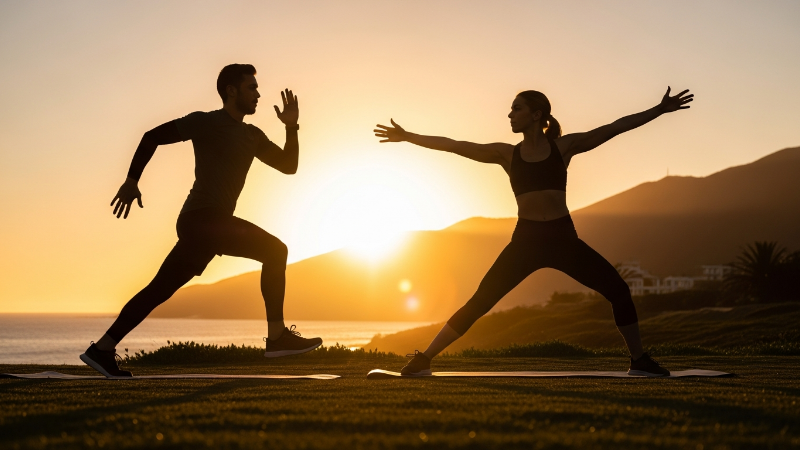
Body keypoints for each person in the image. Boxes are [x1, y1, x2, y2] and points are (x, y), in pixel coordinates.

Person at [374, 87, 693, 377]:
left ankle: (639, 360)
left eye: (516, 109)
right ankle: (425, 358)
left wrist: (658, 110)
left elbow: (614, 128)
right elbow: (456, 146)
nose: (510, 115)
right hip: (526, 240)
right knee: (481, 300)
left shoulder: (564, 147)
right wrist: (408, 136)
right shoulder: (507, 154)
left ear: (537, 114)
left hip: (562, 238)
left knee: (619, 291)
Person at [80, 64, 322, 378]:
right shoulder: (206, 122)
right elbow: (151, 136)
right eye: (252, 88)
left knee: (159, 290)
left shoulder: (253, 135)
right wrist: (131, 180)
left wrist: (292, 127)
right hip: (200, 220)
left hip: (211, 225)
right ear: (231, 91)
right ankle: (276, 337)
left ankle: (101, 349)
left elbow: (289, 166)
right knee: (275, 250)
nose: (258, 94)